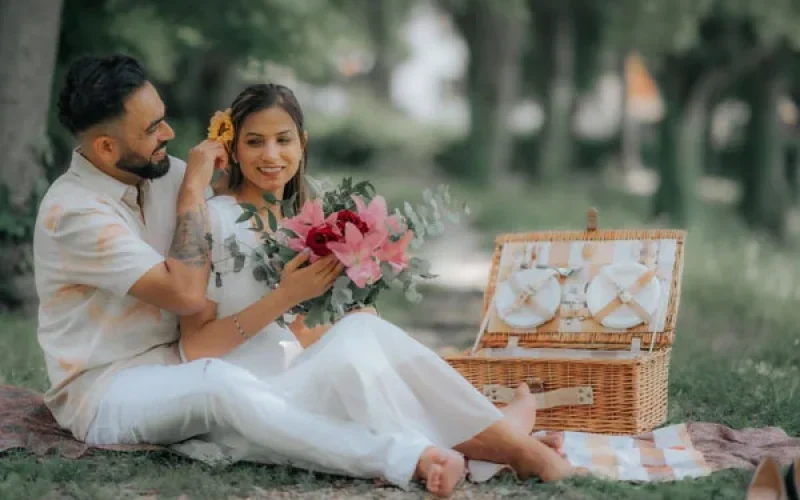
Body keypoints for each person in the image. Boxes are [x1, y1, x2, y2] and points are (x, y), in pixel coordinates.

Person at [31, 54, 570, 498]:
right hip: (110, 388)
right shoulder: (75, 214)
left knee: (360, 333)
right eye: (153, 128)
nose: (171, 133)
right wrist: (197, 191)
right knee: (222, 383)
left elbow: (242, 217)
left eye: (164, 116)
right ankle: (429, 452)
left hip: (192, 362)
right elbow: (188, 291)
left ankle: (490, 435)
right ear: (106, 147)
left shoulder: (159, 169)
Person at [176, 83, 576, 494]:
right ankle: (518, 446)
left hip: (300, 375)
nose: (272, 155)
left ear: (303, 142)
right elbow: (195, 348)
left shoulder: (300, 220)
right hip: (254, 400)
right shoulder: (215, 222)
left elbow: (292, 336)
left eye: (283, 139)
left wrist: (340, 322)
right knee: (359, 342)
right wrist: (288, 296)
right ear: (233, 148)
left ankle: (504, 441)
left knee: (361, 331)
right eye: (255, 142)